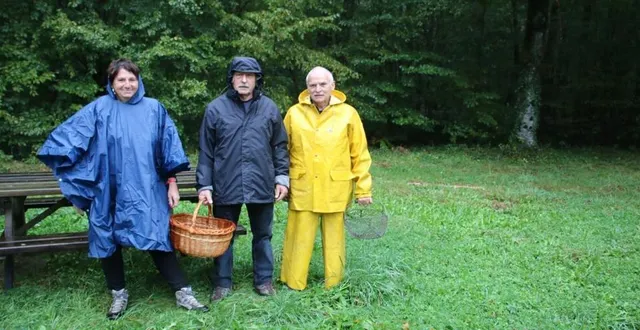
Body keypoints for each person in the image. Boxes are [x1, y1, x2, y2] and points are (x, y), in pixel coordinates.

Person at [37, 58, 209, 320]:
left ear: (138, 81)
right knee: (109, 239)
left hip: (147, 187)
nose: (127, 84)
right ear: (112, 83)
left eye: (132, 79)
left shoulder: (154, 109)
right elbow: (69, 141)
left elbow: (167, 149)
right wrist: (79, 189)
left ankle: (183, 292)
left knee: (157, 236)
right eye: (121, 80)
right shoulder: (98, 109)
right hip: (109, 189)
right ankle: (118, 294)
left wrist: (172, 182)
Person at [196, 56, 289, 301]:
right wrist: (204, 185)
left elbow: (280, 145)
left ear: (257, 79)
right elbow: (205, 151)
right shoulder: (215, 109)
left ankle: (264, 280)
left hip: (261, 181)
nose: (244, 80)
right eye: (239, 75)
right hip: (226, 182)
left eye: (250, 75)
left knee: (263, 235)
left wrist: (281, 178)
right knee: (224, 235)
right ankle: (223, 283)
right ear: (231, 78)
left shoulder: (269, 108)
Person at [280, 66, 373, 290]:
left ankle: (334, 284)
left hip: (335, 187)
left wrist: (363, 189)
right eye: (313, 85)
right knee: (298, 237)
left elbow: (359, 153)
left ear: (333, 86)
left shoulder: (349, 113)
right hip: (303, 185)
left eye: (323, 84)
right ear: (307, 88)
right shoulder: (294, 113)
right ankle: (293, 282)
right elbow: (281, 150)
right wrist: (281, 180)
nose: (318, 89)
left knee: (334, 240)